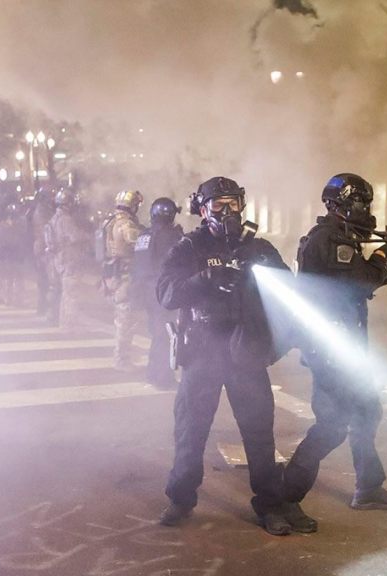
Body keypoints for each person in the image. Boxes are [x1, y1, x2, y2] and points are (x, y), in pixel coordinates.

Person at [280, 173, 387, 533]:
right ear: (338, 204)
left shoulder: (342, 239)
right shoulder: (329, 239)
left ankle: (368, 487)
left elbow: (363, 278)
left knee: (367, 410)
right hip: (329, 348)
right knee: (333, 426)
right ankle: (285, 498)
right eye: (359, 203)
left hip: (344, 344)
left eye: (366, 203)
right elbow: (363, 279)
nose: (364, 210)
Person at [156, 176, 293, 536]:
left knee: (259, 433)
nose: (227, 211)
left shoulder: (258, 247)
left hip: (245, 350)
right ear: (202, 209)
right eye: (218, 205)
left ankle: (269, 505)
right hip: (203, 349)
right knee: (191, 429)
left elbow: (286, 290)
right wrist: (206, 277)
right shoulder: (189, 247)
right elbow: (167, 294)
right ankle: (181, 498)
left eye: (233, 203)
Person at [131, 197, 183, 389]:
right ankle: (162, 378)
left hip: (145, 291)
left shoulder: (144, 234)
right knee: (165, 335)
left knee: (157, 333)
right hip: (162, 291)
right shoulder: (169, 235)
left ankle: (153, 374)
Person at [103, 189, 145, 370]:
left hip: (115, 275)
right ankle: (121, 359)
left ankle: (123, 356)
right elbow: (139, 244)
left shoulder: (111, 222)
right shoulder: (126, 225)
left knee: (123, 318)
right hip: (125, 276)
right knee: (126, 319)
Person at [43, 189, 90, 327]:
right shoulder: (66, 219)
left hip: (59, 260)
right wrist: (88, 236)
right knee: (71, 294)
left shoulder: (54, 218)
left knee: (65, 293)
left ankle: (64, 322)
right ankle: (70, 324)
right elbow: (75, 237)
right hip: (68, 260)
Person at [27, 189, 56, 316]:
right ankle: (45, 308)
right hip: (43, 247)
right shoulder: (42, 212)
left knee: (43, 279)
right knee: (47, 280)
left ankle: (42, 306)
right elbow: (46, 230)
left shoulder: (36, 211)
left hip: (39, 246)